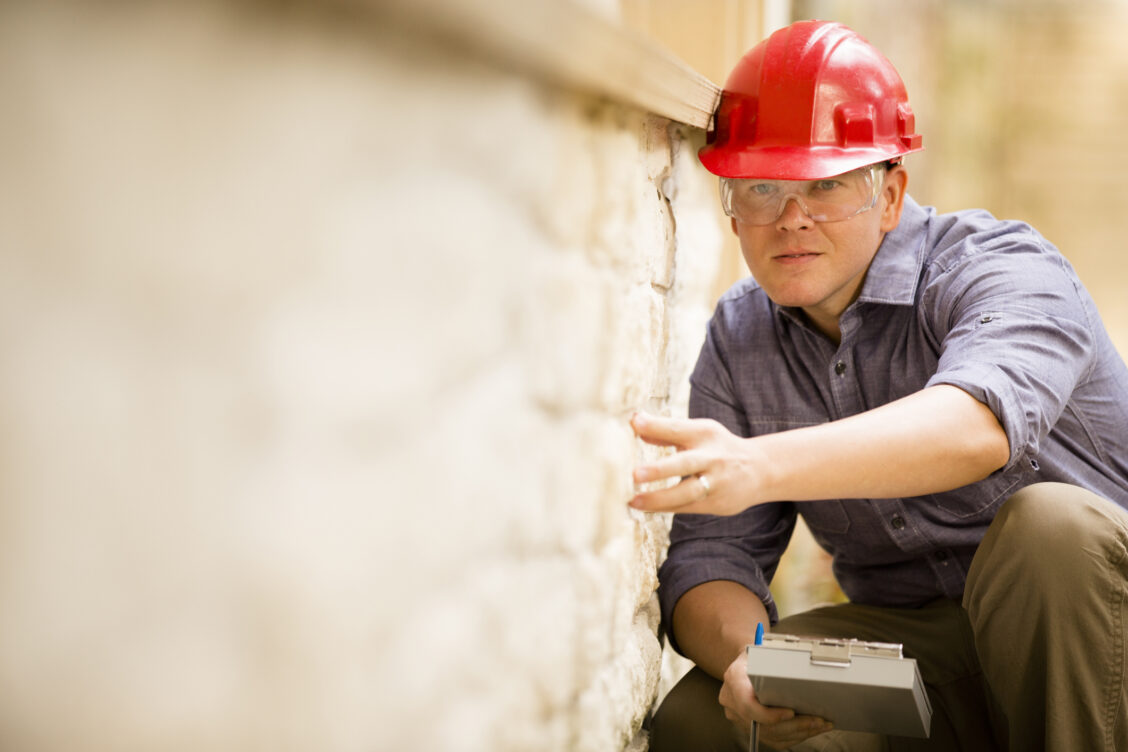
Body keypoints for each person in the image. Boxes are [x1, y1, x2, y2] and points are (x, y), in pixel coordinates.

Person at [629, 19, 1128, 752]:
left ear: (890, 195)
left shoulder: (1003, 269)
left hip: (1095, 641)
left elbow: (975, 427)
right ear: (732, 209)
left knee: (1049, 529)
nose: (791, 218)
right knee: (704, 720)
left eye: (826, 185)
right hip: (927, 650)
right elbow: (713, 557)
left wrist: (760, 464)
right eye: (762, 188)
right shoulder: (741, 335)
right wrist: (754, 663)